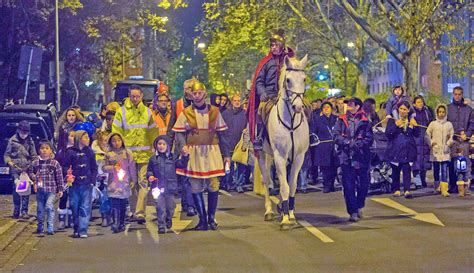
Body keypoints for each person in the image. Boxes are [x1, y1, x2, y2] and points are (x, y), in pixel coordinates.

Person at [172, 81, 230, 231]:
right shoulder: (186, 113)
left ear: (204, 93)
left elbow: (222, 135)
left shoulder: (215, 112)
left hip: (212, 151)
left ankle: (211, 218)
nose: (197, 96)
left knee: (213, 184)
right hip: (194, 152)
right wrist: (182, 147)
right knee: (195, 185)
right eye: (194, 93)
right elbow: (179, 133)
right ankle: (202, 219)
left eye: (199, 93)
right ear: (190, 95)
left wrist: (227, 155)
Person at [112, 85, 158, 224]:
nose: (135, 99)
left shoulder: (148, 112)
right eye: (133, 96)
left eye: (138, 96)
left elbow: (153, 132)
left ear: (142, 96)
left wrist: (155, 147)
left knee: (143, 182)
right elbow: (117, 131)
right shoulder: (121, 112)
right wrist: (118, 150)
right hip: (129, 154)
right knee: (131, 184)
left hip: (144, 153)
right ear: (129, 96)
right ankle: (133, 210)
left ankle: (139, 213)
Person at [247, 29, 295, 151]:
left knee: (306, 107)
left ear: (282, 46)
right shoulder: (266, 62)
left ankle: (309, 135)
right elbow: (259, 81)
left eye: (276, 45)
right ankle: (259, 137)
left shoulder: (288, 60)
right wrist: (263, 93)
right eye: (272, 45)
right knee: (261, 110)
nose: (273, 47)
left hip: (288, 94)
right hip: (270, 96)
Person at [334, 98, 373, 222]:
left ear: (357, 106)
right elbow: (336, 135)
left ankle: (359, 204)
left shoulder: (365, 121)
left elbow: (369, 138)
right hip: (346, 158)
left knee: (363, 184)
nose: (348, 106)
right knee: (348, 186)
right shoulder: (341, 120)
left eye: (350, 104)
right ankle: (353, 211)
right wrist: (346, 142)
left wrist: (359, 144)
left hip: (362, 157)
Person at [147, 135, 189, 234]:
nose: (161, 146)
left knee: (171, 206)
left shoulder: (173, 157)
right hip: (157, 187)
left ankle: (168, 218)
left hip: (170, 187)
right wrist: (150, 176)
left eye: (163, 144)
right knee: (160, 206)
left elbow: (182, 165)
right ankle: (161, 225)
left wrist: (185, 157)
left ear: (167, 146)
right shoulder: (153, 159)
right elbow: (149, 170)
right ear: (156, 145)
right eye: (159, 144)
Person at [64, 130, 98, 238]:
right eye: (85, 137)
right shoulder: (70, 152)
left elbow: (94, 168)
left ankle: (83, 229)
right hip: (74, 184)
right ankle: (76, 227)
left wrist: (92, 181)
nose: (88, 139)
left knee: (86, 206)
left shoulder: (90, 152)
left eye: (88, 137)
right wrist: (68, 174)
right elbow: (65, 166)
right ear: (79, 139)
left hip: (87, 183)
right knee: (74, 206)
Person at [102, 133, 136, 233]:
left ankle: (121, 223)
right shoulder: (109, 154)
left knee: (122, 204)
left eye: (118, 140)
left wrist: (133, 180)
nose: (116, 143)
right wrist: (113, 168)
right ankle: (115, 223)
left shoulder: (127, 153)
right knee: (115, 204)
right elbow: (103, 167)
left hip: (124, 183)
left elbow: (132, 167)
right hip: (113, 183)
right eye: (114, 141)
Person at [29, 140, 64, 236]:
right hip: (40, 190)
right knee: (40, 209)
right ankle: (40, 226)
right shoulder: (35, 163)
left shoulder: (54, 163)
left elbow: (59, 176)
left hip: (51, 190)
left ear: (51, 151)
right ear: (39, 150)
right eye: (42, 148)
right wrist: (34, 177)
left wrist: (60, 189)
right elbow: (30, 172)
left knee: (49, 206)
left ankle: (50, 226)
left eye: (47, 148)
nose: (44, 150)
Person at [4, 120, 37, 219]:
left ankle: (24, 211)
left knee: (26, 190)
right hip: (16, 170)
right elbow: (7, 155)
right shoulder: (12, 140)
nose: (24, 134)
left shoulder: (30, 141)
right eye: (22, 132)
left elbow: (34, 155)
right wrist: (10, 163)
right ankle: (17, 209)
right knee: (17, 189)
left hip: (26, 170)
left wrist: (33, 163)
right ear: (18, 130)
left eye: (26, 132)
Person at [385, 101, 419, 198]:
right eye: (401, 109)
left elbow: (417, 134)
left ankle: (407, 190)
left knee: (406, 169)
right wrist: (396, 126)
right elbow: (388, 134)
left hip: (408, 148)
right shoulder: (392, 120)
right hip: (395, 147)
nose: (402, 111)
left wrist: (415, 126)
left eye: (405, 109)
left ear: (408, 110)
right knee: (395, 170)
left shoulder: (411, 120)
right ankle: (396, 189)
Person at [174, 78, 197, 217]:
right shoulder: (177, 104)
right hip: (181, 146)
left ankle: (190, 204)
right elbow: (173, 127)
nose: (189, 90)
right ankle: (187, 204)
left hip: (196, 146)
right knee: (184, 177)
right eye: (187, 88)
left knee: (192, 178)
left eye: (191, 88)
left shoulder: (200, 105)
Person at [447, 86, 474, 193]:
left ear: (462, 95)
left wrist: (467, 134)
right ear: (453, 95)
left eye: (459, 94)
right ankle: (453, 185)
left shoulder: (469, 110)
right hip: (453, 140)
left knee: (465, 163)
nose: (457, 96)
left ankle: (465, 185)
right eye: (455, 94)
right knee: (452, 163)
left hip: (464, 141)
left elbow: (472, 125)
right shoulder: (448, 108)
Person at [221, 94, 247, 192]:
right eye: (235, 100)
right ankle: (228, 183)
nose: (237, 102)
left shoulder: (244, 114)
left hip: (240, 143)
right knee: (229, 165)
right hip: (228, 143)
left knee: (241, 165)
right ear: (232, 102)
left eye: (239, 100)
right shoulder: (225, 114)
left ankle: (239, 184)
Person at [426, 105, 454, 196]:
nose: (441, 114)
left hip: (445, 151)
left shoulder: (449, 124)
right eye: (439, 112)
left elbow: (451, 136)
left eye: (443, 112)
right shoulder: (433, 124)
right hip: (436, 151)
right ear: (437, 112)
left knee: (444, 170)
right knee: (436, 170)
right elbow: (427, 134)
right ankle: (437, 187)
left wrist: (448, 144)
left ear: (445, 113)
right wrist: (431, 142)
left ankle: (444, 189)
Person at [311, 102, 338, 193]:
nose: (326, 109)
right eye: (324, 107)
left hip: (334, 145)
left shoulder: (336, 119)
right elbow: (314, 132)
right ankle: (326, 185)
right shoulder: (318, 120)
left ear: (331, 108)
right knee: (325, 168)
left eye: (328, 107)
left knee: (334, 166)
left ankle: (332, 184)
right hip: (323, 146)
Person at [411, 96, 434, 188]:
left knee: (424, 161)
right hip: (415, 139)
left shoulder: (427, 112)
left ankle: (423, 179)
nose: (420, 104)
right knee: (415, 161)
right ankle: (417, 182)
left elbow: (431, 123)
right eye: (418, 102)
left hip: (425, 139)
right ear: (414, 104)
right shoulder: (412, 113)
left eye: (421, 102)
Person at [55, 130, 75, 230]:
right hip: (64, 179)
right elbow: (57, 165)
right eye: (71, 136)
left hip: (74, 179)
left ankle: (71, 218)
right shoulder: (61, 152)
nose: (73, 137)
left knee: (73, 199)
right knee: (63, 198)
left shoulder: (77, 150)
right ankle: (62, 219)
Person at [91, 131, 110, 227]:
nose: (106, 142)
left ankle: (114, 217)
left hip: (114, 180)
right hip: (102, 181)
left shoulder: (113, 152)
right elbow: (96, 167)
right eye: (104, 141)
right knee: (104, 199)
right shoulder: (97, 155)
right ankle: (104, 217)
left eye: (108, 140)